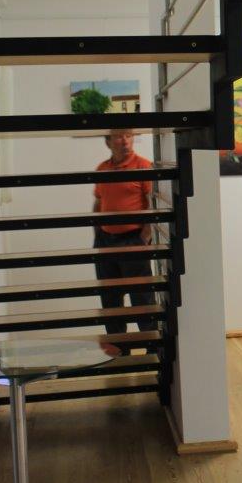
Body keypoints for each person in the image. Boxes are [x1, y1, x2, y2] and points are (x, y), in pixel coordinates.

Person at [93, 129, 157, 335]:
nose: (125, 141)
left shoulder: (143, 166)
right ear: (108, 142)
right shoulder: (102, 169)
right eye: (119, 136)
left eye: (129, 136)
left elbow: (152, 203)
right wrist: (97, 235)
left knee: (142, 298)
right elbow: (99, 201)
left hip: (132, 240)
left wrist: (144, 238)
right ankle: (118, 348)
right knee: (110, 298)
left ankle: (152, 346)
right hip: (105, 242)